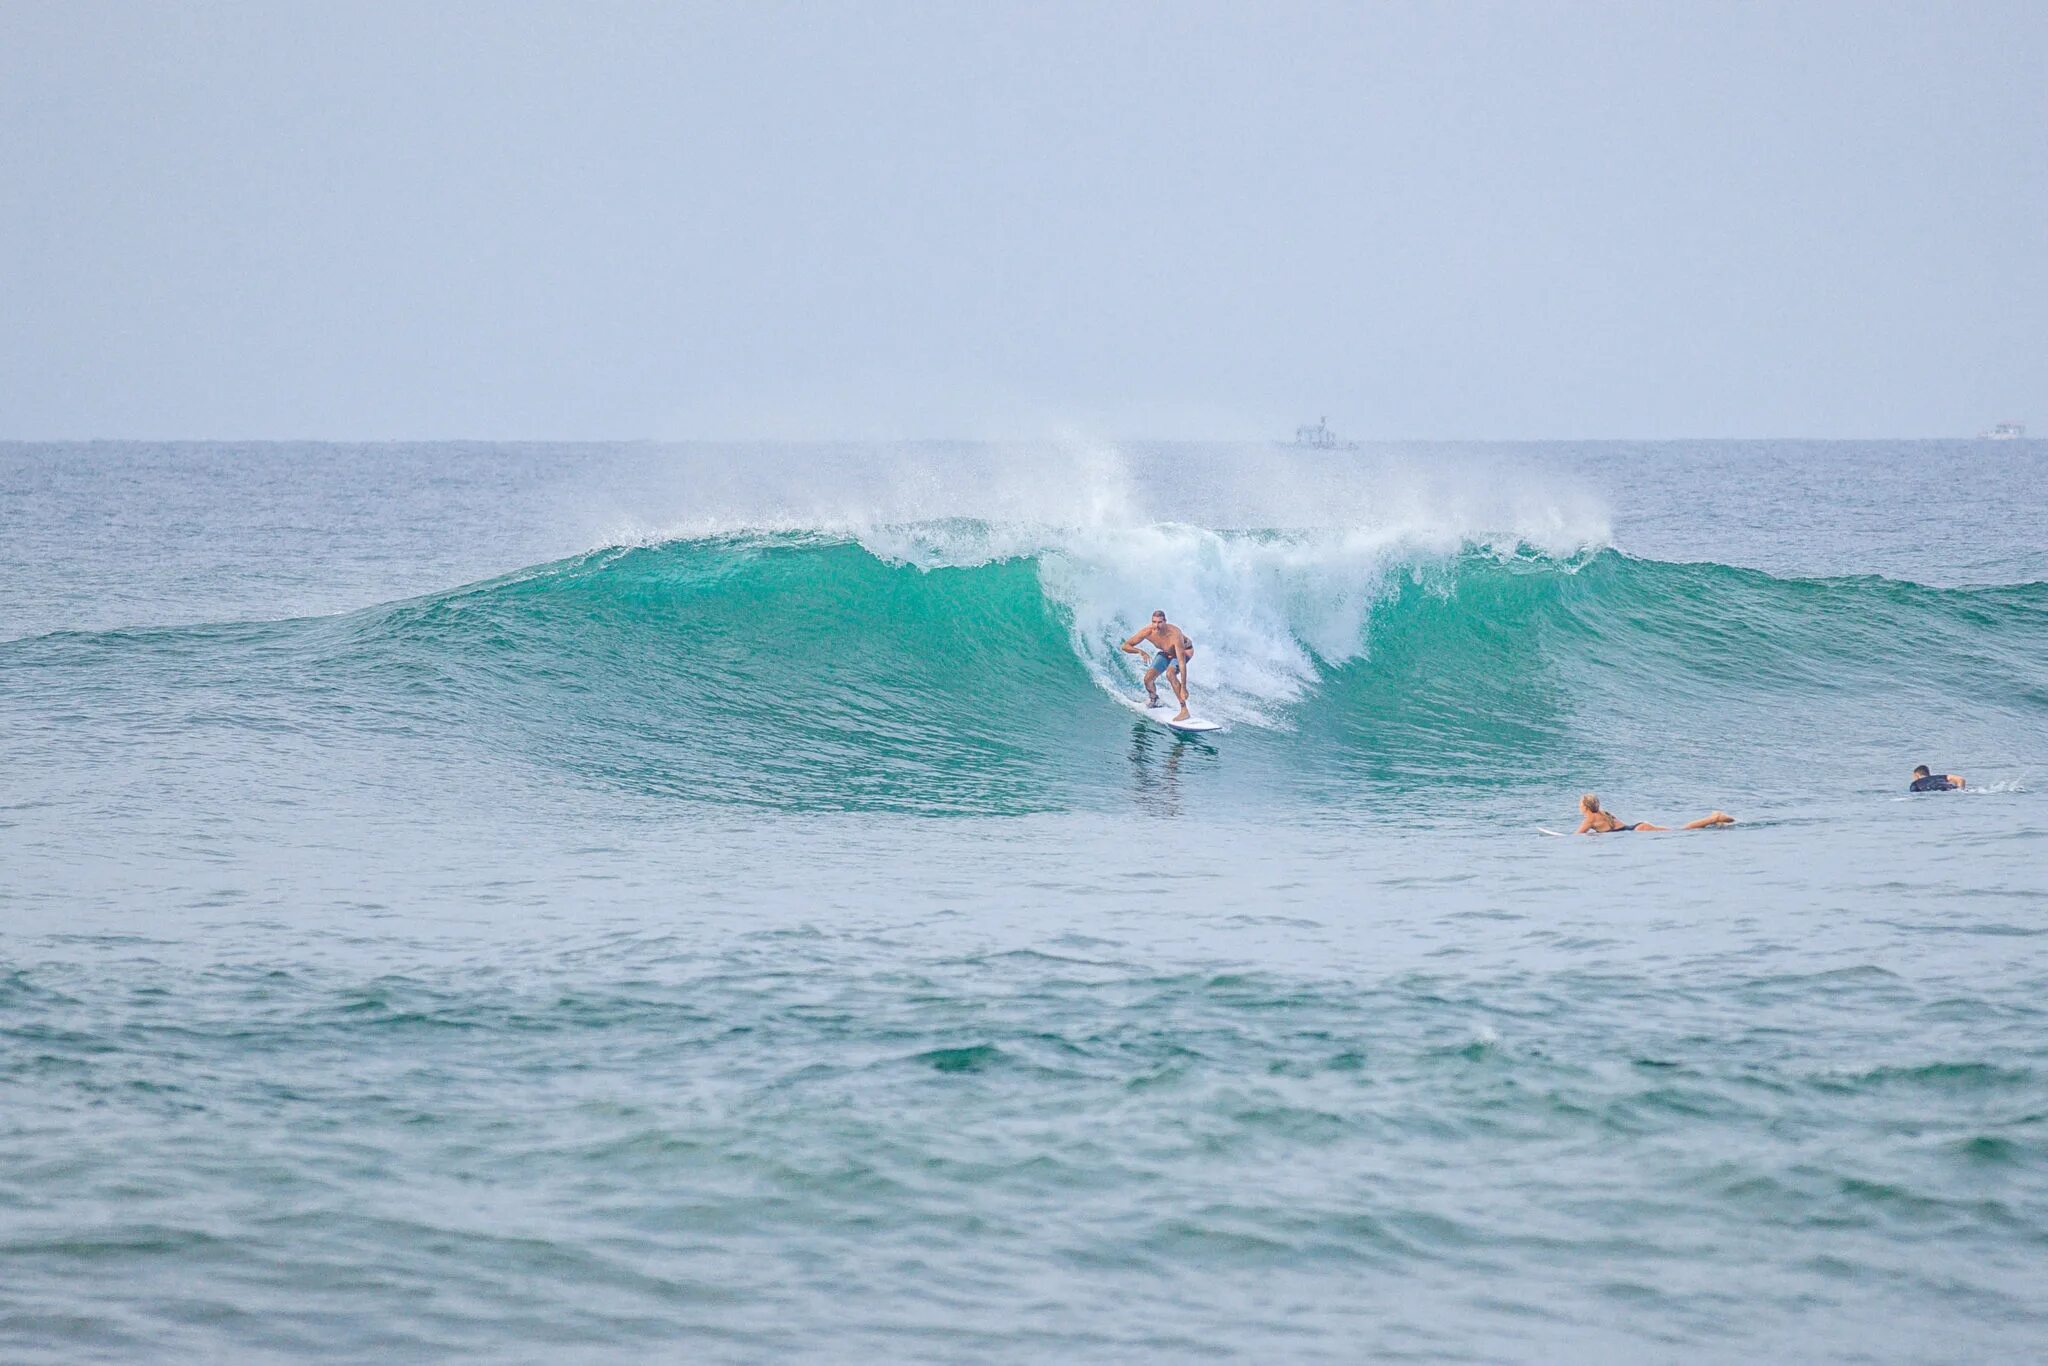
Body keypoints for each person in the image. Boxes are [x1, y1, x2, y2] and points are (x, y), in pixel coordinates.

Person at [1121, 610, 1196, 722]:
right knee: (1148, 679)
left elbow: (1181, 662)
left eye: (1160, 622)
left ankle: (1184, 710)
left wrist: (1183, 687)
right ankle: (1154, 699)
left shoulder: (1175, 634)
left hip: (1184, 651)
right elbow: (1126, 646)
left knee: (1170, 673)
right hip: (1166, 652)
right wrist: (1139, 651)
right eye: (1154, 622)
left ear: (1165, 621)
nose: (1157, 625)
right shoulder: (1148, 631)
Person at [1575, 792, 1733, 834]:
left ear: (1586, 806)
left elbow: (1576, 836)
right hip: (1638, 827)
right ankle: (1713, 820)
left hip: (1639, 830)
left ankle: (1715, 818)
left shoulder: (1589, 818)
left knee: (1682, 831)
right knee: (1680, 830)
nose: (1578, 806)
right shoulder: (1602, 813)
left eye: (1580, 804)